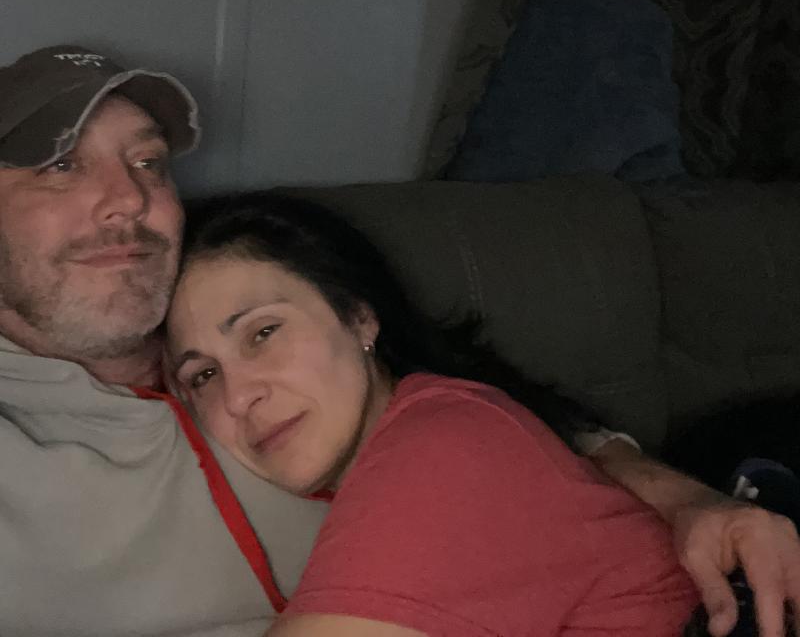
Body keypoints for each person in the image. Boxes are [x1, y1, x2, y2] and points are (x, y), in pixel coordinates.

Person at [0, 44, 797, 637]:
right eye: (59, 165)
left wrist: (674, 492)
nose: (127, 199)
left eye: (149, 162)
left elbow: (481, 425)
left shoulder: (227, 315)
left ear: (360, 318)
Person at [169, 190, 700, 636]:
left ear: (359, 317)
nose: (238, 398)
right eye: (204, 376)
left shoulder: (442, 447)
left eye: (263, 332)